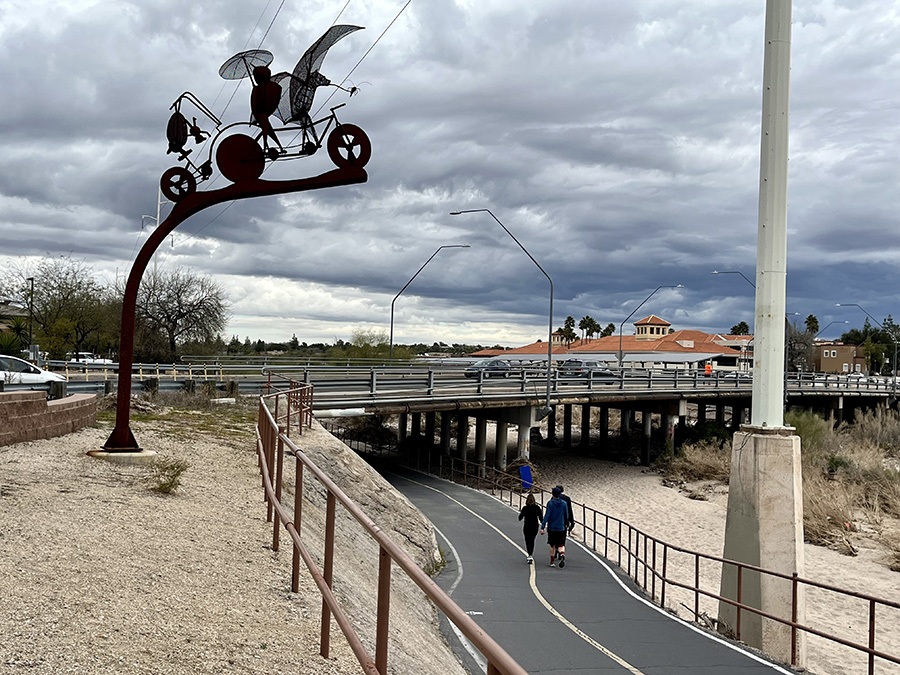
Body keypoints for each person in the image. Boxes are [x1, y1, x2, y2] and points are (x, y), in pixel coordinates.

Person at [540, 486, 568, 568]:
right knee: (561, 544)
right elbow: (566, 515)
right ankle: (562, 554)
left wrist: (543, 526)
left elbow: (547, 515)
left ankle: (552, 561)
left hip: (552, 528)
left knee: (552, 545)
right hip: (561, 527)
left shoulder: (550, 503)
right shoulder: (564, 504)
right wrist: (565, 524)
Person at [518, 493, 543, 564]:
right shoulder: (537, 508)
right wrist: (543, 525)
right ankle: (531, 554)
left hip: (527, 526)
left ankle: (529, 554)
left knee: (527, 540)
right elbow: (541, 518)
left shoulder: (525, 508)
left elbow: (520, 517)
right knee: (532, 540)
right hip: (535, 526)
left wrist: (522, 515)